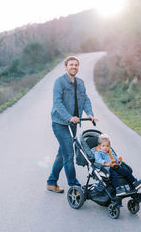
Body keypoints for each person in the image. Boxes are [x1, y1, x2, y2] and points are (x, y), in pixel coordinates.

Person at [47, 56, 97, 193]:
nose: (74, 67)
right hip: (60, 123)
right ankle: (74, 186)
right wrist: (69, 117)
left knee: (62, 154)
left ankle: (51, 182)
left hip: (74, 124)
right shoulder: (60, 82)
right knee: (69, 155)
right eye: (71, 65)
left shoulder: (80, 83)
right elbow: (57, 103)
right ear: (65, 66)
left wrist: (90, 113)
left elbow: (86, 99)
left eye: (76, 65)